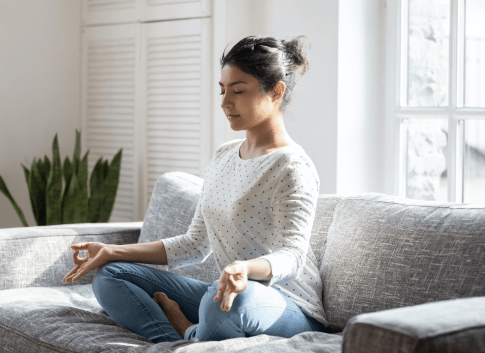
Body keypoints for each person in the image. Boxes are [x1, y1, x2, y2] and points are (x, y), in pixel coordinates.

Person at [62, 35, 328, 343]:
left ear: (276, 92)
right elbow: (194, 244)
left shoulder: (291, 166)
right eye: (223, 89)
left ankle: (188, 331)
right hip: (224, 293)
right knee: (111, 275)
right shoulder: (224, 155)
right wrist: (111, 251)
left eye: (238, 91)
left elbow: (293, 256)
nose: (225, 102)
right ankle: (174, 343)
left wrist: (244, 269)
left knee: (228, 303)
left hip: (288, 307)